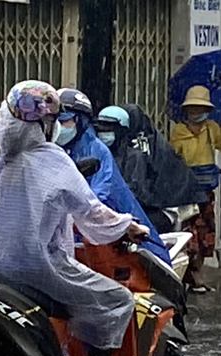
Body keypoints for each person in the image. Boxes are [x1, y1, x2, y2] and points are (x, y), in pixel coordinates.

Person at [0, 80, 148, 356]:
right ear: (44, 124)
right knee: (117, 301)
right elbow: (91, 212)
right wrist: (126, 226)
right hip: (41, 268)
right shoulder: (51, 159)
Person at [54, 88, 171, 267]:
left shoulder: (96, 150)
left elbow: (97, 194)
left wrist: (71, 211)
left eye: (65, 121)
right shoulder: (53, 149)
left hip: (105, 226)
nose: (59, 127)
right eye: (56, 121)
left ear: (80, 120)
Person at [96, 104, 206, 233]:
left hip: (163, 208)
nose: (104, 132)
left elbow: (138, 189)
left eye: (109, 127)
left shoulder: (139, 155)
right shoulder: (102, 152)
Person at [170, 85, 221, 293]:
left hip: (206, 191)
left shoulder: (211, 128)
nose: (197, 113)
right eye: (193, 109)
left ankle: (197, 275)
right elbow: (174, 160)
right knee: (189, 233)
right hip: (186, 191)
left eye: (200, 108)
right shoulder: (178, 132)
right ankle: (189, 276)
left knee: (205, 233)